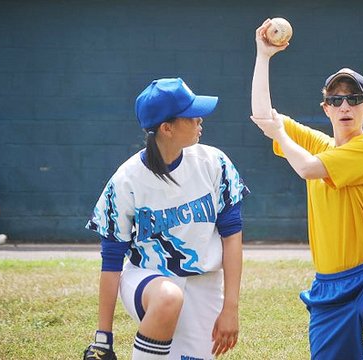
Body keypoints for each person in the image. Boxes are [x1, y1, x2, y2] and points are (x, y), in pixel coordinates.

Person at [249, 19, 363, 360]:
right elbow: (262, 117)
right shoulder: (319, 143)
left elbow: (308, 169)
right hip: (331, 286)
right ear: (325, 108)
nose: (345, 106)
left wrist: (282, 136)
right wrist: (263, 56)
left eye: (354, 99)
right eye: (336, 99)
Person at [83, 77, 250, 360]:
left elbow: (232, 237)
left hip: (204, 283)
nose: (200, 120)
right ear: (167, 128)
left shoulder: (214, 163)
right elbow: (112, 261)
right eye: (191, 115)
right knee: (168, 297)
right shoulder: (127, 180)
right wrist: (103, 338)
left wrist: (231, 308)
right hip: (149, 281)